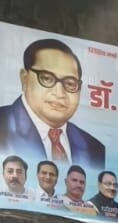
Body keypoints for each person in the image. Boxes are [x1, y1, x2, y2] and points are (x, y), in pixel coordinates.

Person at [0, 38, 105, 169]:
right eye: (47, 78)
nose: (59, 93)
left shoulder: (95, 148)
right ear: (24, 79)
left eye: (70, 83)